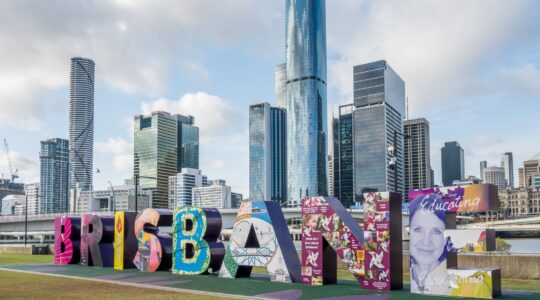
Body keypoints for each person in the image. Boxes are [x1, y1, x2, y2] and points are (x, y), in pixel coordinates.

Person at [409, 193, 451, 295]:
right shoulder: (410, 277)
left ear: (445, 238)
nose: (426, 242)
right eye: (418, 229)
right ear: (409, 232)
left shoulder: (461, 285)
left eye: (436, 232)